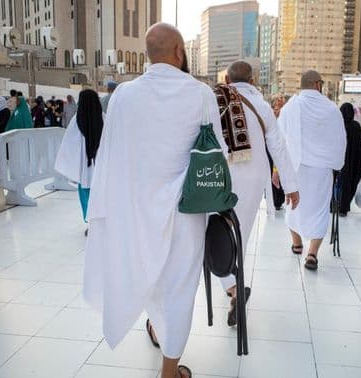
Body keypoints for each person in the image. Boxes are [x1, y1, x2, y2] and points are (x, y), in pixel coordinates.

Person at [83, 23, 222, 378]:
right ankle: (169, 370)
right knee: (178, 287)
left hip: (135, 210)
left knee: (148, 275)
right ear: (179, 52)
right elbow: (215, 153)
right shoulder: (201, 93)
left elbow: (110, 154)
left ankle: (156, 330)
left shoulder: (124, 95)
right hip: (186, 211)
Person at [216, 61, 299, 325]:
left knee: (213, 232)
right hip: (253, 179)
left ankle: (232, 286)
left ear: (227, 79)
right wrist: (290, 186)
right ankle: (233, 284)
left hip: (219, 177)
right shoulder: (262, 107)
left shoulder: (214, 99)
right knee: (240, 235)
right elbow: (279, 147)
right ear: (252, 81)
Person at [278, 70, 346, 270]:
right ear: (318, 84)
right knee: (319, 209)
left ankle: (297, 244)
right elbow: (340, 139)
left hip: (295, 166)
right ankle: (312, 254)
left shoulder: (291, 106)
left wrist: (278, 168)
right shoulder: (331, 108)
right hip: (321, 169)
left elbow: (280, 138)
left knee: (293, 205)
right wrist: (337, 164)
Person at [55, 90, 104, 225]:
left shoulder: (77, 120)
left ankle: (90, 222)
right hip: (101, 168)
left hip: (85, 169)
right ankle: (101, 223)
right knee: (101, 195)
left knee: (86, 195)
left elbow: (69, 146)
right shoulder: (104, 118)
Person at [339, 103, 361, 216]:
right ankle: (344, 206)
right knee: (351, 182)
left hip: (340, 161)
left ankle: (336, 204)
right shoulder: (355, 126)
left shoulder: (338, 125)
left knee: (340, 183)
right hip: (354, 161)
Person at [269, 93, 287, 210]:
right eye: (275, 106)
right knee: (273, 172)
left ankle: (279, 199)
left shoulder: (285, 116)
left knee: (281, 172)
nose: (277, 109)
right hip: (271, 148)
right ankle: (275, 200)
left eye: (280, 106)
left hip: (282, 148)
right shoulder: (269, 115)